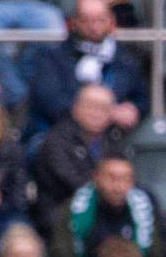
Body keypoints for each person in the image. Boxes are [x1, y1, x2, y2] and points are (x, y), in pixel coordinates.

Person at [25, 0, 148, 138]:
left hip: (112, 139)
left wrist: (135, 109)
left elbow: (141, 99)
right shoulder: (51, 58)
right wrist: (107, 113)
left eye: (100, 20)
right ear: (74, 22)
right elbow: (52, 103)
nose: (94, 26)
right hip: (59, 137)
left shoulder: (126, 60)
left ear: (111, 21)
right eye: (87, 20)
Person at [51, 154, 164, 257]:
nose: (118, 186)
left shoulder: (146, 208)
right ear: (96, 177)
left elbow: (155, 256)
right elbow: (65, 256)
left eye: (125, 179)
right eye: (111, 178)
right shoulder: (75, 208)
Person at [32, 84, 128, 226]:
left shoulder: (114, 139)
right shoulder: (56, 140)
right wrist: (111, 189)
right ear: (76, 108)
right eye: (91, 106)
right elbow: (72, 181)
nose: (97, 113)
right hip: (63, 214)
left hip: (107, 212)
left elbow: (127, 176)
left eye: (104, 108)